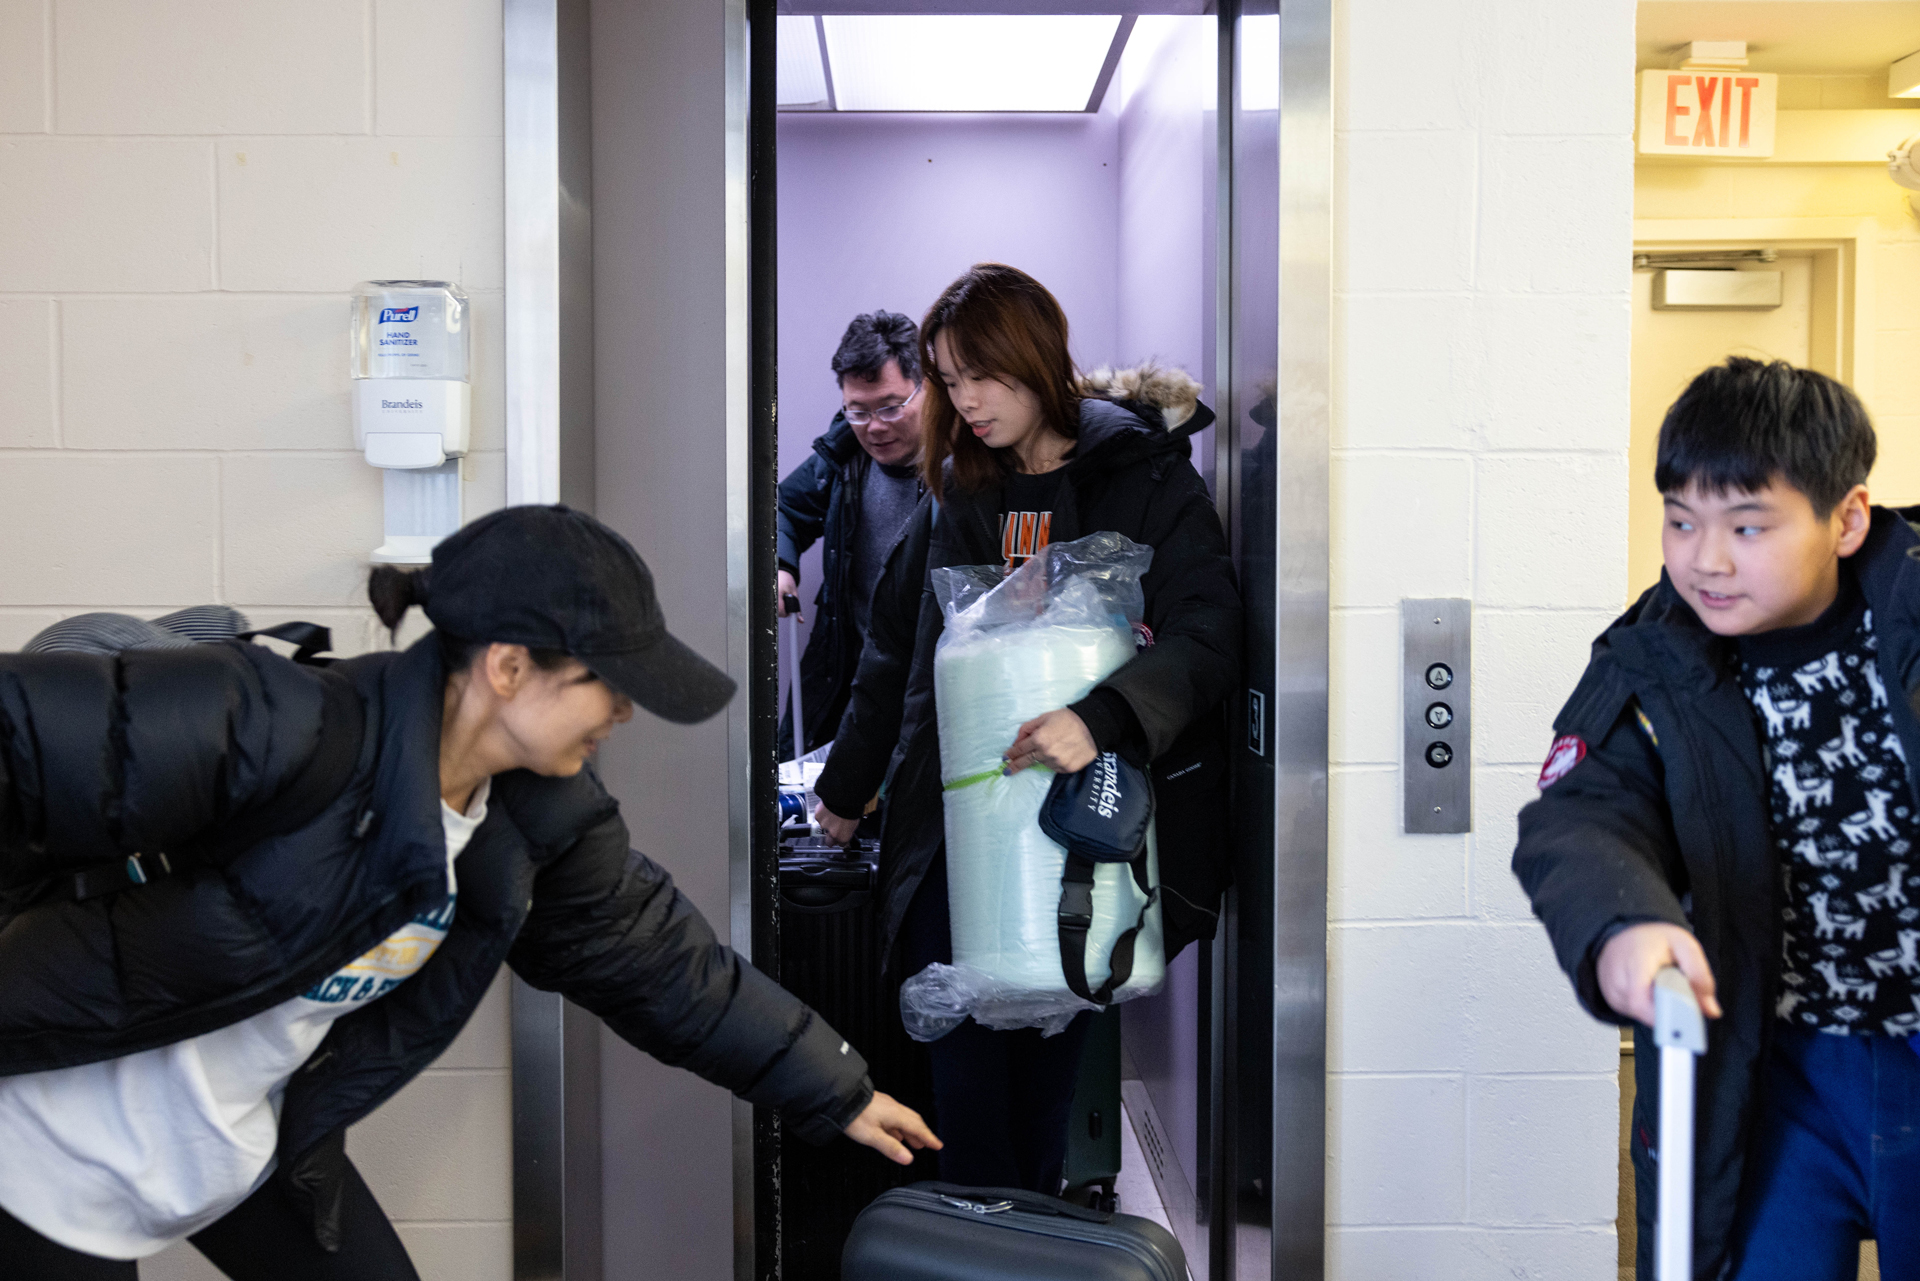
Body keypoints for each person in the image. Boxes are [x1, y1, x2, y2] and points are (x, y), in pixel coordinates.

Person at [0, 505, 937, 1280]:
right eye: (606, 684)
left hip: (238, 1143)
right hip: (39, 1146)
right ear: (507, 665)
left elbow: (656, 959)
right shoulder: (275, 725)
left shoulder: (533, 819)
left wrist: (835, 1086)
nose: (622, 713)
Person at [811, 263, 1240, 1193]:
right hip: (957, 821)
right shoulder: (955, 488)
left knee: (1052, 1054)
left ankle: (1033, 1229)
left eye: (983, 377)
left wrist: (1104, 718)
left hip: (1087, 822)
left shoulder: (1141, 478)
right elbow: (896, 656)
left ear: (1037, 361)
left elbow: (1210, 633)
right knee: (963, 1079)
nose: (965, 402)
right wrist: (843, 793)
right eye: (950, 380)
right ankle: (977, 1232)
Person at [1513, 357, 1920, 1280]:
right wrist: (1624, 921)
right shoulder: (1654, 653)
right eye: (1682, 520)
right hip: (1775, 1072)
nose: (1707, 558)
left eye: (1749, 525)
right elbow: (1583, 810)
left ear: (1846, 518)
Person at [777, 310, 928, 755]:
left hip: (926, 695)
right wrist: (781, 566)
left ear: (928, 388)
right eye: (857, 411)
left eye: (890, 406)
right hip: (844, 681)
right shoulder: (844, 453)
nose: (874, 427)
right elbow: (783, 506)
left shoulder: (967, 467)